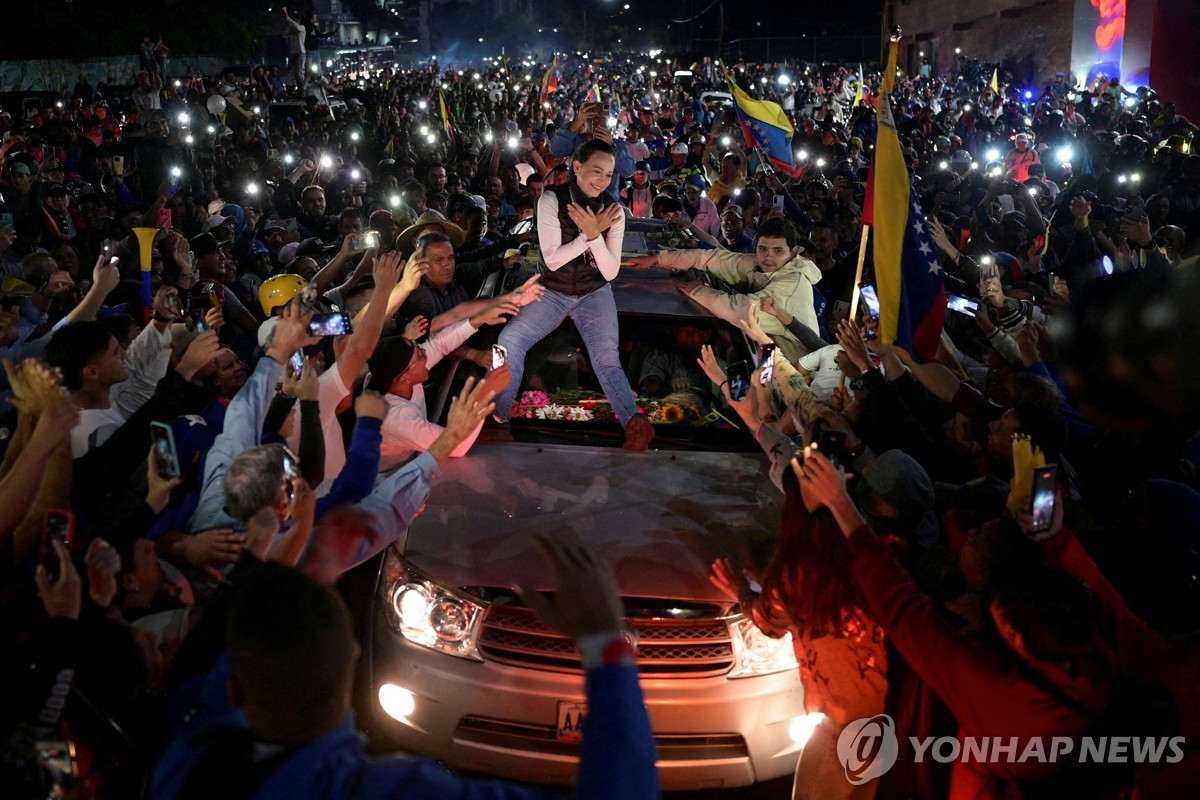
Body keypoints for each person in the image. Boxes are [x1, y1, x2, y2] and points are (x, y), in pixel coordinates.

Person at [152, 535, 658, 800]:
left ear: (236, 690)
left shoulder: (180, 762)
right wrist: (607, 644)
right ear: (352, 662)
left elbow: (240, 655)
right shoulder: (384, 791)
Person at [491, 139, 655, 450]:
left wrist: (594, 236)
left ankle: (634, 422)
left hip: (595, 292)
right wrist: (589, 235)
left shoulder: (615, 211)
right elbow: (552, 259)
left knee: (607, 359)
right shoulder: (551, 200)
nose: (602, 181)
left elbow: (610, 271)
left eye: (608, 175)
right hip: (553, 290)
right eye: (596, 171)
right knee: (508, 342)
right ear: (576, 168)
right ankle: (497, 419)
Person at [628, 216, 822, 362]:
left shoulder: (792, 283)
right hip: (769, 362)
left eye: (778, 251)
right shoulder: (759, 264)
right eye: (763, 249)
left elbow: (742, 311)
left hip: (796, 374)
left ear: (793, 252)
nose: (768, 257)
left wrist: (698, 291)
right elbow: (710, 258)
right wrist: (658, 259)